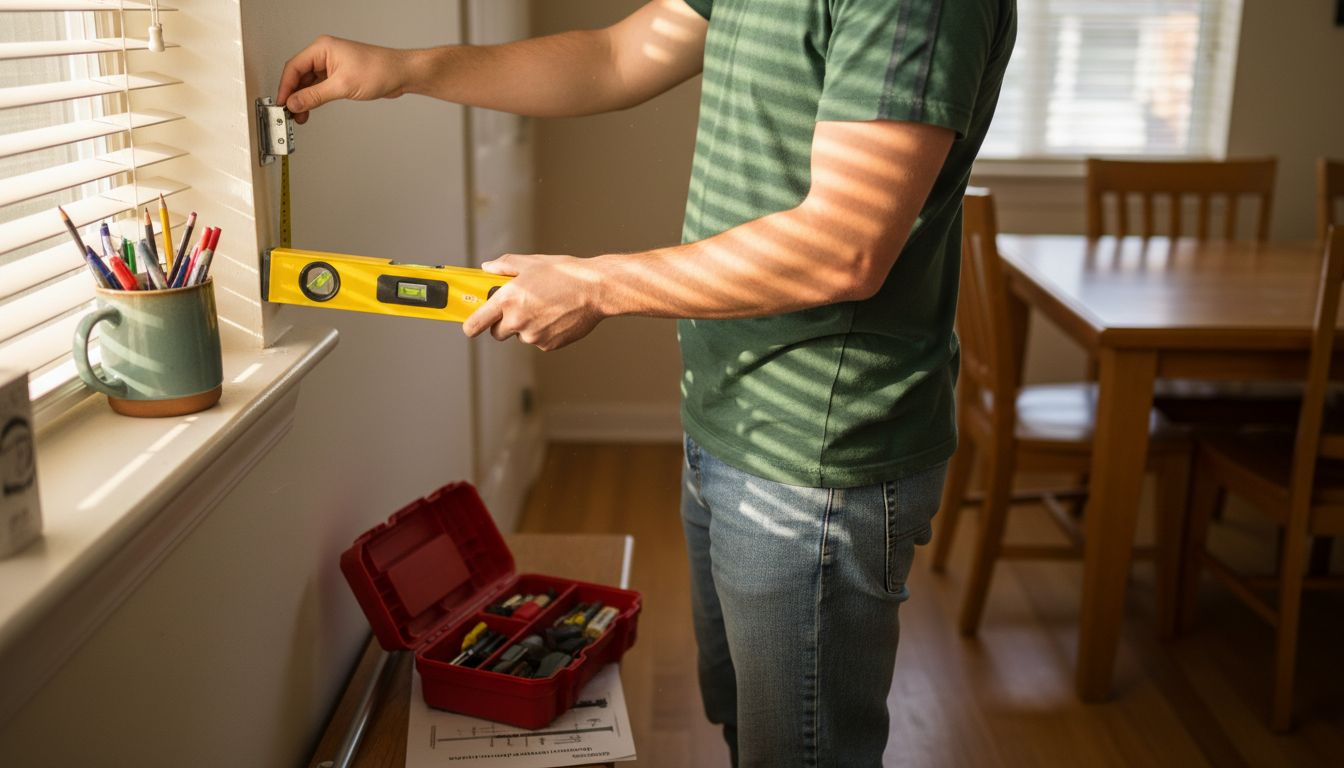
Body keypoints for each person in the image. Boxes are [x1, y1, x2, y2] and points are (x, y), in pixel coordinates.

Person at [279, 1, 1015, 764]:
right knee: (750, 727)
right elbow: (618, 56)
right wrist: (407, 70)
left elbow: (846, 246)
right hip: (728, 416)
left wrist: (597, 286)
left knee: (801, 751)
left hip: (815, 461)